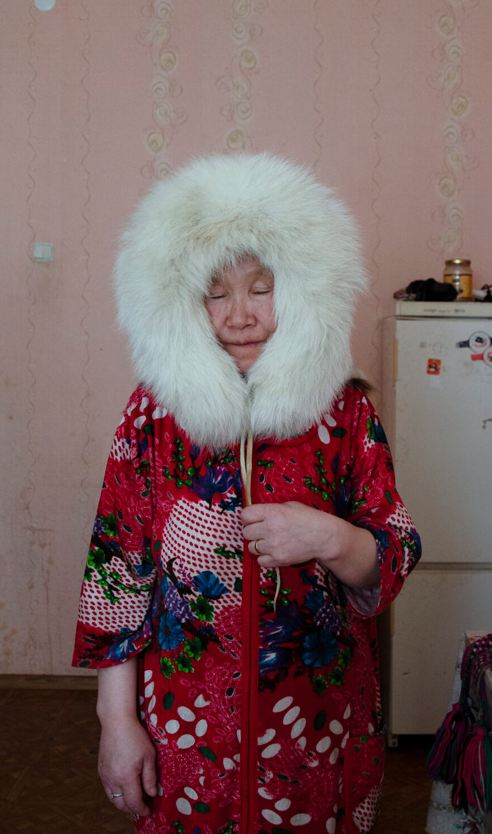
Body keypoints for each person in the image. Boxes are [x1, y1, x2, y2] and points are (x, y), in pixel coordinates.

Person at [72, 153, 422, 834]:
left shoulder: (345, 413)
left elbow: (395, 552)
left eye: (261, 289)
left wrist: (329, 536)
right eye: (216, 294)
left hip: (322, 731)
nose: (239, 316)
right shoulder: (152, 417)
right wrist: (116, 722)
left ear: (302, 290)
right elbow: (115, 578)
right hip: (185, 735)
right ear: (180, 303)